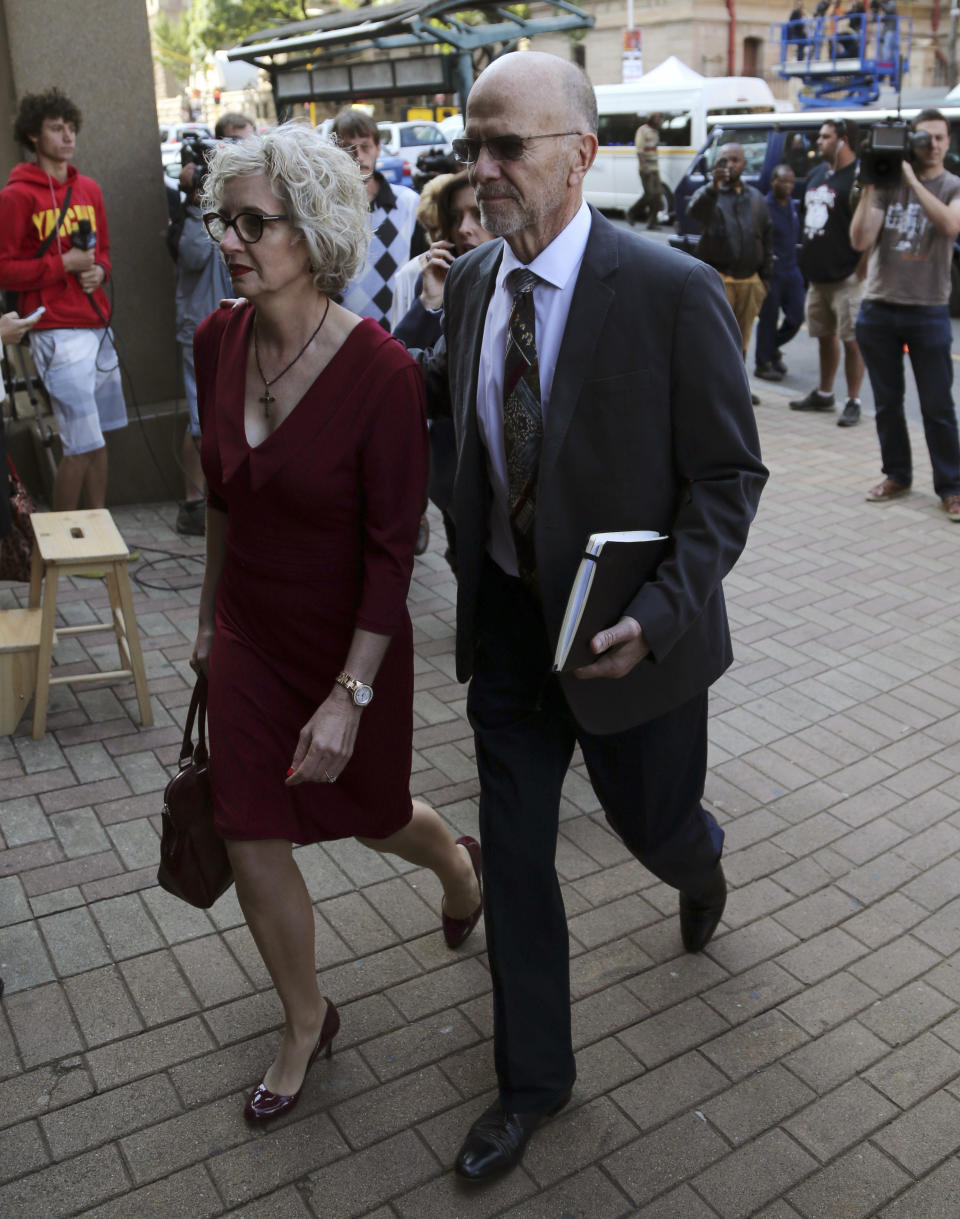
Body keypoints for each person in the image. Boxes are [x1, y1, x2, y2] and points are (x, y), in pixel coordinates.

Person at [417, 51, 767, 1181]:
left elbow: (727, 478)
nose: (483, 170)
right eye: (474, 145)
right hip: (516, 635)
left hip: (635, 646)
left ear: (582, 153)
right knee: (515, 858)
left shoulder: (670, 291)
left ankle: (701, 865)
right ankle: (533, 1083)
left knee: (655, 827)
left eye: (506, 146)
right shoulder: (472, 284)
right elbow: (448, 431)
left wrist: (661, 615)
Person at [190, 122, 483, 1125]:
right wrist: (203, 623)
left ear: (310, 234)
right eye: (223, 219)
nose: (230, 240)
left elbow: (392, 554)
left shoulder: (383, 375)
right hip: (247, 631)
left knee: (370, 811)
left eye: (252, 222)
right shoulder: (214, 340)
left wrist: (349, 696)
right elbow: (224, 498)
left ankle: (457, 866)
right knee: (248, 826)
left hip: (347, 642)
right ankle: (306, 1016)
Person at [0, 87, 127, 510]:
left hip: (96, 323)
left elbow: (104, 250)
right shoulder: (16, 196)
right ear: (34, 137)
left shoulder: (88, 189)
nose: (68, 137)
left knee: (100, 438)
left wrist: (98, 270)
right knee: (81, 443)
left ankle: (99, 529)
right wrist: (64, 265)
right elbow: (4, 268)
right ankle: (65, 541)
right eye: (57, 129)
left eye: (72, 128)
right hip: (55, 328)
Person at [850, 109, 960, 521]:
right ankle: (897, 474)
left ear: (948, 143)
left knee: (937, 406)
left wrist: (911, 180)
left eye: (939, 138)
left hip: (928, 310)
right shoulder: (885, 183)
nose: (932, 144)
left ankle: (952, 487)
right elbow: (860, 239)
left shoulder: (952, 186)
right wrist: (869, 183)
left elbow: (951, 226)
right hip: (879, 307)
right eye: (924, 138)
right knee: (887, 403)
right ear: (911, 141)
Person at [394, 171, 495, 573]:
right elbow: (403, 369)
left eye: (479, 215)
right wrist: (430, 302)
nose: (466, 229)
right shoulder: (436, 279)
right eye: (457, 217)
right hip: (455, 481)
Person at [170, 159, 233, 536]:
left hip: (233, 322)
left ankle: (218, 499)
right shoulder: (191, 218)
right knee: (199, 420)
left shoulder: (230, 213)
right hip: (200, 329)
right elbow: (193, 255)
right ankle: (193, 504)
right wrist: (196, 205)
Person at [790, 118, 865, 426]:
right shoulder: (818, 174)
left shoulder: (859, 177)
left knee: (852, 340)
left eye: (825, 137)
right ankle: (824, 394)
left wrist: (862, 267)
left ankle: (853, 400)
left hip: (847, 276)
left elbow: (871, 222)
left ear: (843, 140)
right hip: (818, 277)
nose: (818, 142)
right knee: (824, 336)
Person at [688, 143, 772, 399]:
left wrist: (765, 279)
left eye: (736, 159)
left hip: (750, 280)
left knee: (743, 339)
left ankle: (739, 388)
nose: (732, 164)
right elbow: (695, 213)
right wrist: (713, 188)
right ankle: (713, 390)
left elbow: (766, 237)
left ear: (745, 164)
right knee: (716, 339)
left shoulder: (756, 197)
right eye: (726, 159)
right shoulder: (708, 194)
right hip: (719, 279)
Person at [331, 109, 423, 331]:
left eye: (365, 147)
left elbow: (420, 268)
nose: (358, 156)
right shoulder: (325, 209)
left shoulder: (409, 203)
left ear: (378, 148)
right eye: (349, 148)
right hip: (340, 335)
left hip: (398, 332)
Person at [755, 164, 806, 381]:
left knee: (796, 317)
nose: (788, 186)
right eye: (783, 181)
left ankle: (771, 347)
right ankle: (763, 363)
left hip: (792, 269)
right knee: (768, 318)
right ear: (773, 181)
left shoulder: (792, 206)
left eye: (791, 182)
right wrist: (762, 272)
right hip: (772, 271)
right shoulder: (764, 207)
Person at [628, 112, 663, 229]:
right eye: (657, 117)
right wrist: (645, 167)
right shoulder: (642, 130)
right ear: (651, 118)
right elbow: (639, 150)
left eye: (660, 117)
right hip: (646, 169)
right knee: (649, 195)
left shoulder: (655, 132)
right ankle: (631, 212)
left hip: (655, 168)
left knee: (657, 195)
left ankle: (652, 222)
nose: (659, 120)